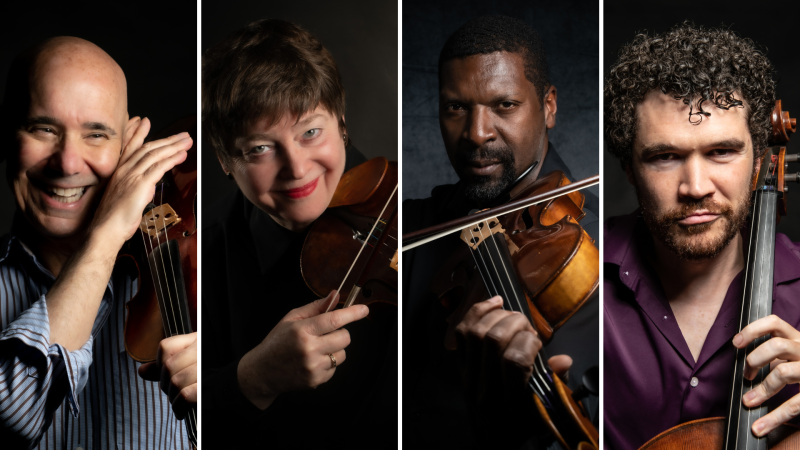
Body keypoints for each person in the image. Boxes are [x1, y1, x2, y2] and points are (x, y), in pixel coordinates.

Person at [403, 15, 599, 449]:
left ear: (548, 106)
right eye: (456, 107)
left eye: (504, 105)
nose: (477, 133)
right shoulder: (419, 223)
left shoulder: (596, 246)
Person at [201, 19, 397, 448]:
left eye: (311, 131)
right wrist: (253, 379)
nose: (297, 167)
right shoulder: (199, 253)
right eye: (260, 148)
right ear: (224, 160)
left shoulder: (407, 203)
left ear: (341, 123)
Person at [604, 23, 800, 449]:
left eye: (721, 152)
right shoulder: (578, 289)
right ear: (629, 170)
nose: (696, 187)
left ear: (760, 160)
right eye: (665, 156)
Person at [0, 37, 197, 448]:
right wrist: (104, 237)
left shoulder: (190, 269)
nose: (68, 163)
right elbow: (14, 412)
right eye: (44, 128)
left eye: (95, 135)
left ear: (126, 145)